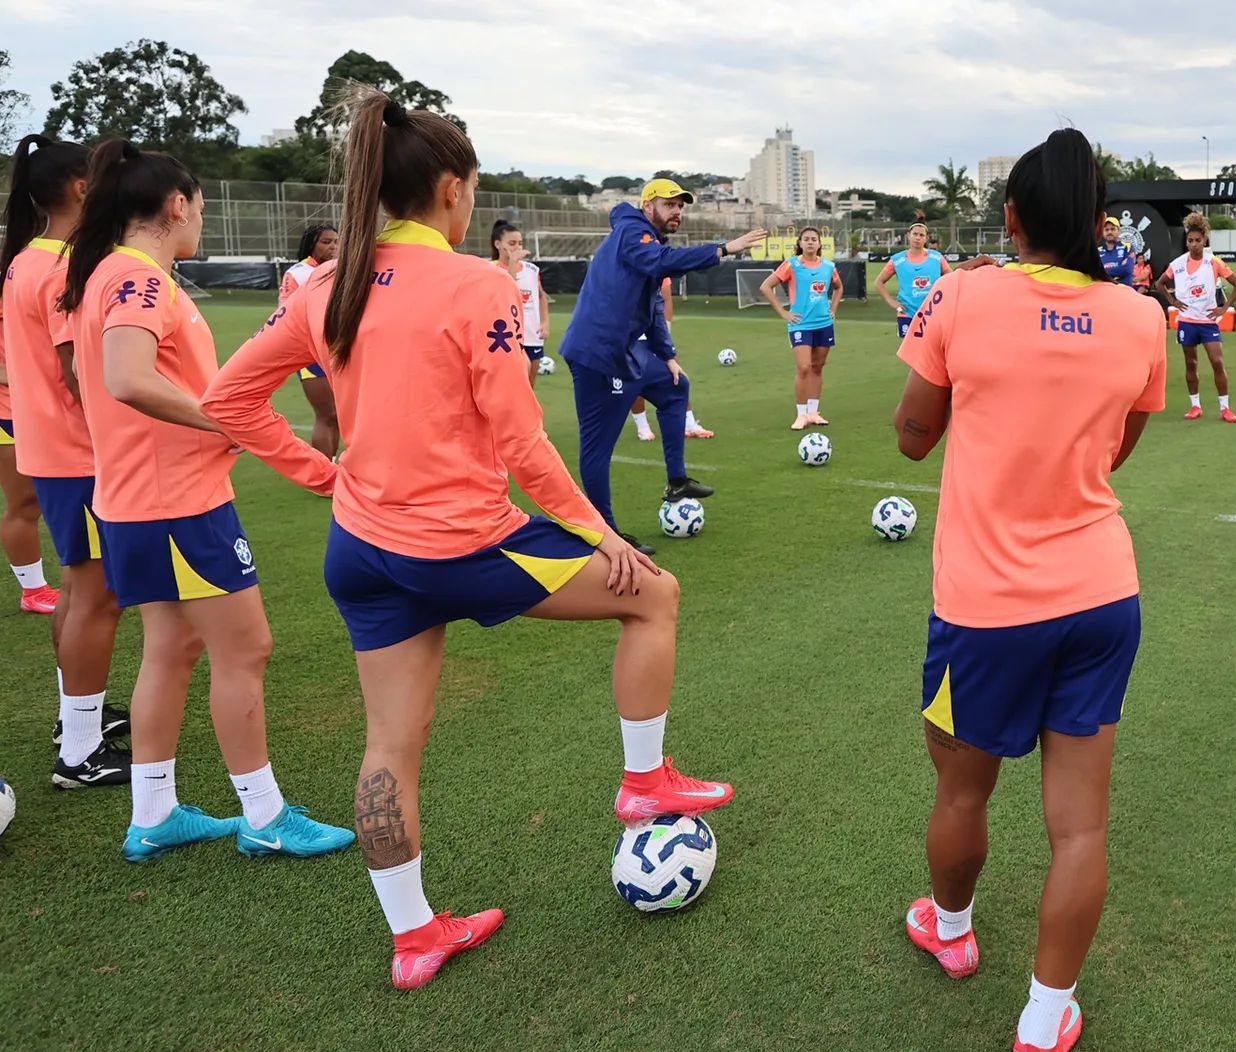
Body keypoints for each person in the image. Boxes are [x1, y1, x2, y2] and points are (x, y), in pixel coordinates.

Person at [203, 89, 737, 988]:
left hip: (362, 553)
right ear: (453, 189)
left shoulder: (325, 284)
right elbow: (524, 443)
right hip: (462, 545)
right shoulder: (477, 283)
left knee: (388, 748)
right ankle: (642, 782)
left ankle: (415, 938)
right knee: (655, 594)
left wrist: (322, 478)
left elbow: (227, 400)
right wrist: (598, 530)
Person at [892, 126, 1165, 1052]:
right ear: (1099, 223)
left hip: (986, 607)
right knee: (1080, 825)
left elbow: (912, 439)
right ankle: (1045, 1023)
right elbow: (1118, 447)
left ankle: (953, 930)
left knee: (962, 788)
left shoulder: (961, 293)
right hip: (1103, 594)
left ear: (1010, 217)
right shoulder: (1142, 317)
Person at [59, 139, 355, 862]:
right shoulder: (139, 279)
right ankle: (264, 814)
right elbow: (127, 377)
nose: (201, 219)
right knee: (245, 647)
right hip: (175, 503)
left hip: (139, 498)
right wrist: (229, 421)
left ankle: (154, 812)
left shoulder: (111, 274)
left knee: (172, 646)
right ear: (176, 204)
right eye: (199, 206)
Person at [1, 134, 134, 786]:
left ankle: (75, 717)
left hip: (49, 451)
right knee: (97, 597)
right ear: (83, 189)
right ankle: (79, 752)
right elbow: (79, 374)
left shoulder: (24, 260)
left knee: (83, 589)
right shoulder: (61, 270)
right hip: (78, 454)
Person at [561, 178, 764, 544]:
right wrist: (722, 249)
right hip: (597, 354)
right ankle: (604, 536)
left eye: (681, 206)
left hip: (626, 351)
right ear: (648, 204)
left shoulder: (649, 241)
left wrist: (668, 356)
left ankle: (676, 482)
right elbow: (659, 262)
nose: (678, 212)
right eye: (670, 204)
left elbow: (652, 306)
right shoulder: (632, 233)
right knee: (597, 448)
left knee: (676, 387)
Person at [1, 303, 58, 615]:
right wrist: (25, 375)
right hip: (7, 412)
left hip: (37, 408)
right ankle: (33, 591)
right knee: (24, 501)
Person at [1157, 212, 1236, 422]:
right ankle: (1195, 406)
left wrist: (1224, 308)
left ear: (1205, 241)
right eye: (1190, 240)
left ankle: (1225, 408)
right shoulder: (1177, 264)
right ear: (1186, 242)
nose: (1194, 244)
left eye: (1198, 240)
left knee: (1217, 360)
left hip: (1208, 322)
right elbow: (1159, 284)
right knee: (1191, 363)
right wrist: (1173, 302)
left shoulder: (1213, 263)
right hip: (1186, 321)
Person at [760, 226, 843, 430]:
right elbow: (765, 286)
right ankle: (801, 414)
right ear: (800, 243)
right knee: (804, 367)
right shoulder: (792, 264)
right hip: (800, 324)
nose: (810, 242)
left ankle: (814, 412)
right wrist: (783, 312)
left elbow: (838, 288)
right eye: (806, 239)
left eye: (814, 239)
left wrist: (833, 308)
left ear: (819, 243)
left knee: (817, 367)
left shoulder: (828, 266)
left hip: (823, 323)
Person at [282, 224, 342, 458]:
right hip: (310, 353)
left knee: (337, 415)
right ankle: (322, 473)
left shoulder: (339, 270)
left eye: (336, 241)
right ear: (311, 244)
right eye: (325, 242)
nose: (333, 247)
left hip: (337, 350)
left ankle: (331, 467)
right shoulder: (299, 273)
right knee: (326, 415)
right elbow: (286, 313)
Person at [632, 279, 713, 442]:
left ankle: (688, 423)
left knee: (675, 373)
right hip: (630, 328)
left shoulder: (658, 262)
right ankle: (642, 427)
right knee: (635, 376)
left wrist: (665, 327)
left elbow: (666, 297)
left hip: (654, 327)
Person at [488, 220, 551, 382]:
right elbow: (508, 291)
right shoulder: (491, 269)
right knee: (516, 385)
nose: (517, 247)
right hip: (509, 336)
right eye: (512, 243)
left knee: (529, 387)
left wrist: (545, 323)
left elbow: (540, 296)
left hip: (532, 334)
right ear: (498, 244)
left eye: (520, 243)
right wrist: (513, 263)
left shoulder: (531, 270)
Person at [877, 222, 951, 339]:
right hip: (907, 313)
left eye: (921, 235)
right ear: (908, 235)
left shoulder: (937, 257)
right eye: (915, 234)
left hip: (933, 313)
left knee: (931, 352)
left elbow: (951, 279)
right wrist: (892, 302)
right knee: (910, 354)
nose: (917, 238)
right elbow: (879, 282)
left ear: (926, 238)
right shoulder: (897, 260)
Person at [1095, 216, 1132, 286]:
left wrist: (1102, 272)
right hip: (1104, 290)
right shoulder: (1097, 251)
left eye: (1113, 229)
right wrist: (1118, 268)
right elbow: (1094, 273)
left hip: (1123, 290)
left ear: (1119, 231)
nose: (1109, 232)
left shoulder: (1128, 247)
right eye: (1106, 229)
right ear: (1102, 232)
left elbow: (1127, 269)